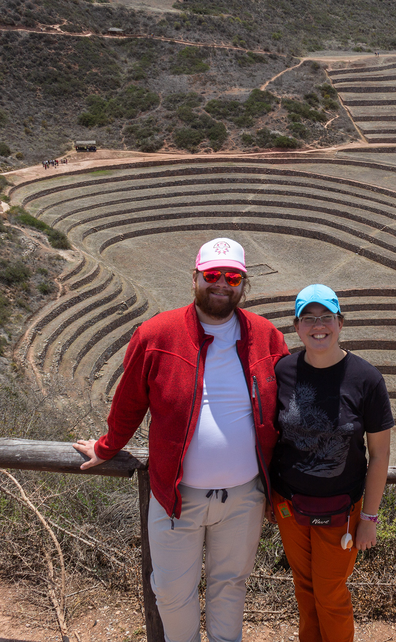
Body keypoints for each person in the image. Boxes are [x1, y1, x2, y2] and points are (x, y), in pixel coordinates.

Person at [73, 237, 289, 642]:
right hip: (176, 496)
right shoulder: (157, 334)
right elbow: (129, 401)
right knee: (171, 592)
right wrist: (107, 446)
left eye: (232, 276)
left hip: (244, 497)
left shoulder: (267, 336)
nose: (221, 284)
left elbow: (284, 410)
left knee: (231, 586)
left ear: (244, 283)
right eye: (212, 275)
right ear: (195, 278)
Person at [269, 284, 394, 642]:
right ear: (296, 327)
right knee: (304, 589)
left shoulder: (366, 379)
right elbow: (271, 436)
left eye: (326, 317)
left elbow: (380, 455)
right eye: (308, 318)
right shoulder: (284, 372)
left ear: (340, 323)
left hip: (341, 508)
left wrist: (369, 519)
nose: (317, 325)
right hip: (289, 505)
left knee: (330, 593)